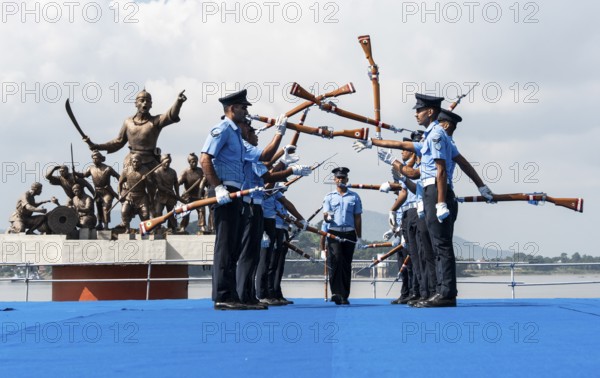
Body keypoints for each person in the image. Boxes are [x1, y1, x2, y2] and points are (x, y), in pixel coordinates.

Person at [85, 89, 187, 212]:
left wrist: (178, 102)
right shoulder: (128, 122)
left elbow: (170, 115)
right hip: (131, 160)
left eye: (147, 101)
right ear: (135, 103)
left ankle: (153, 216)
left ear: (151, 105)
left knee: (153, 188)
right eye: (141, 100)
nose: (144, 103)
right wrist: (98, 146)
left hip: (150, 161)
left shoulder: (155, 121)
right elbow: (118, 142)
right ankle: (126, 216)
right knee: (127, 187)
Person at [200, 89, 254, 311]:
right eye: (243, 107)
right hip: (225, 192)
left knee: (233, 245)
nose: (246, 111)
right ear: (231, 108)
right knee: (224, 245)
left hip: (237, 192)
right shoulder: (221, 129)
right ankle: (222, 295)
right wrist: (218, 187)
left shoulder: (236, 134)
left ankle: (232, 294)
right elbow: (205, 159)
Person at [322, 167, 363, 305]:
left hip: (349, 232)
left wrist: (359, 237)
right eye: (338, 178)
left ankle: (344, 295)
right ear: (334, 180)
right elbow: (326, 217)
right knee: (336, 259)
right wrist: (327, 217)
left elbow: (357, 217)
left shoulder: (354, 197)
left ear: (347, 179)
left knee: (346, 263)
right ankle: (336, 292)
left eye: (343, 178)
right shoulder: (329, 197)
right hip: (334, 232)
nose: (340, 180)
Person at [81, 150, 120, 230]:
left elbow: (118, 176)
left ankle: (106, 225)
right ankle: (100, 224)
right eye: (93, 158)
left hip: (107, 191)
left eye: (97, 158)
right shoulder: (91, 168)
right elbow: (84, 175)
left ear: (101, 159)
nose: (95, 160)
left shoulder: (108, 168)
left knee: (106, 208)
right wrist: (75, 173)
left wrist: (123, 185)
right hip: (97, 192)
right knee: (99, 208)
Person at [116, 154, 153, 230]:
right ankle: (127, 229)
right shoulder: (126, 170)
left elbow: (151, 185)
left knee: (145, 215)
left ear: (141, 162)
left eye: (137, 162)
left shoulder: (145, 170)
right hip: (130, 196)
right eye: (134, 162)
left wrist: (146, 180)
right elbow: (120, 183)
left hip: (142, 196)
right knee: (124, 212)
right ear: (131, 162)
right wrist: (119, 194)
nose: (135, 164)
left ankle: (145, 230)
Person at [178, 153, 207, 233]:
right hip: (188, 196)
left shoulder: (201, 171)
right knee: (185, 212)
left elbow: (206, 182)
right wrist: (178, 182)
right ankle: (182, 227)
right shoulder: (185, 172)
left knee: (202, 210)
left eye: (195, 161)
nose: (194, 163)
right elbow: (178, 182)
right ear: (189, 162)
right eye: (192, 162)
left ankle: (202, 226)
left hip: (198, 196)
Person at [152, 153, 181, 233]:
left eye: (168, 162)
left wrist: (177, 194)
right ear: (162, 162)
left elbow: (176, 183)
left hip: (171, 196)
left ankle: (172, 227)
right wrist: (167, 191)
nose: (167, 164)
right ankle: (157, 227)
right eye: (165, 162)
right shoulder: (157, 172)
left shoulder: (173, 172)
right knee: (158, 212)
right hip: (161, 195)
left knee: (172, 213)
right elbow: (159, 185)